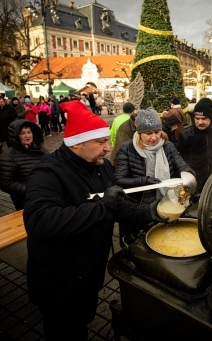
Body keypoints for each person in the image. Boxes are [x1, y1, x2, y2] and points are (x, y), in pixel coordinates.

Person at [23, 100, 164, 341]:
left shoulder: (100, 166)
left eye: (106, 141)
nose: (108, 148)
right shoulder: (47, 173)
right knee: (65, 332)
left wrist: (149, 213)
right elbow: (40, 223)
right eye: (100, 142)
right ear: (77, 143)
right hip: (58, 281)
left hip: (89, 273)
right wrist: (104, 205)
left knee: (83, 321)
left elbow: (115, 205)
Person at [114, 107, 196, 243]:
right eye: (148, 133)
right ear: (139, 132)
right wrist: (144, 180)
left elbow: (181, 165)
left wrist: (188, 175)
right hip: (138, 206)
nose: (154, 137)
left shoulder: (167, 146)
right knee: (138, 243)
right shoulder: (127, 149)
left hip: (165, 202)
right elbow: (120, 179)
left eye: (157, 132)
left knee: (163, 240)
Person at [0, 119, 47, 210]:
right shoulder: (8, 156)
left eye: (29, 132)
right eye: (22, 133)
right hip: (27, 201)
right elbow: (5, 183)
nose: (27, 136)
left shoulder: (41, 150)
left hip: (47, 195)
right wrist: (30, 190)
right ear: (16, 136)